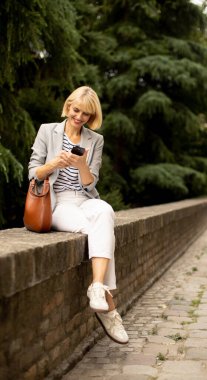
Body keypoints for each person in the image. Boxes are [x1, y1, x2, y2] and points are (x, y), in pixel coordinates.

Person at [28, 86, 129, 345]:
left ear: (91, 116)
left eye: (86, 113)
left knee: (105, 210)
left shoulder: (95, 140)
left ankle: (97, 286)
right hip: (56, 203)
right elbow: (32, 173)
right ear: (68, 106)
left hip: (84, 199)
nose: (79, 117)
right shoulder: (46, 131)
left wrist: (82, 164)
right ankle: (109, 307)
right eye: (76, 110)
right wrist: (53, 164)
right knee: (101, 230)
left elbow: (91, 184)